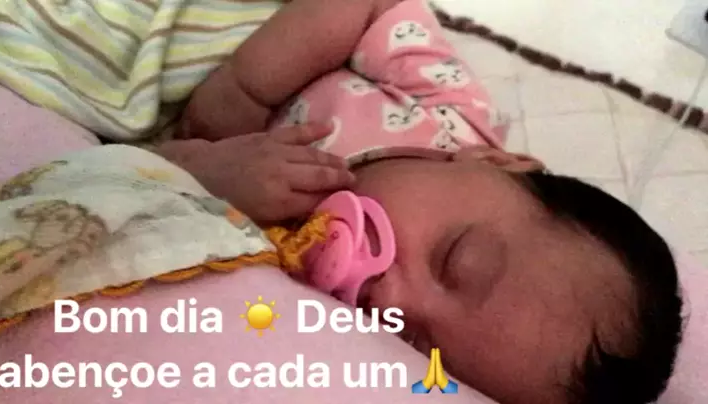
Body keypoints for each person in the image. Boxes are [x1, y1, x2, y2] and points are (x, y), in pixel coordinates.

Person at [152, 0, 684, 403]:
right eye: (452, 259)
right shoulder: (445, 111)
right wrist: (243, 90)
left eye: (416, 344)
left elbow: (133, 184)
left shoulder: (284, 272)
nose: (391, 303)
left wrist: (207, 175)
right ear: (498, 162)